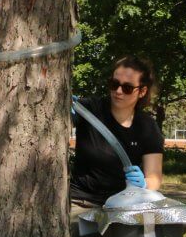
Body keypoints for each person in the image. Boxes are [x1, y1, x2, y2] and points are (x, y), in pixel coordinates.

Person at [70, 56, 165, 207]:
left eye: (127, 88)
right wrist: (63, 109)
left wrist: (144, 184)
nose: (118, 91)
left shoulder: (147, 126)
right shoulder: (89, 110)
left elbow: (154, 178)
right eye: (114, 84)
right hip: (81, 202)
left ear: (142, 91)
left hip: (123, 206)